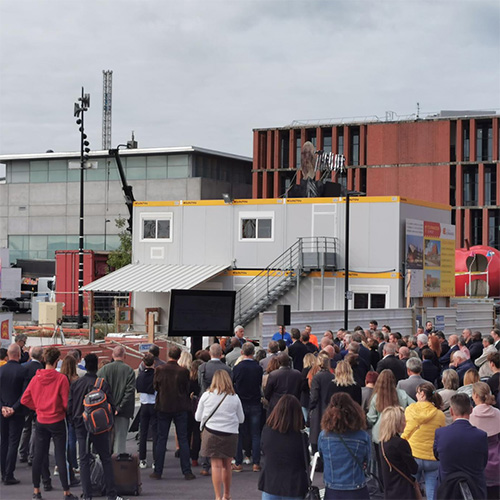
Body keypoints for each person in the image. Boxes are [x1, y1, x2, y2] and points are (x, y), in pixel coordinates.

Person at [21, 346, 78, 500]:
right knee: (61, 455)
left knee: (39, 455)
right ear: (57, 361)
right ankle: (66, 491)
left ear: (44, 360)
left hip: (41, 420)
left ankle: (36, 490)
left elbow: (24, 399)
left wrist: (38, 407)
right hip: (57, 420)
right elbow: (66, 403)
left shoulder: (35, 378)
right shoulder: (61, 379)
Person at [67, 353, 123, 500]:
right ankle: (111, 494)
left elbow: (70, 407)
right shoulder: (101, 383)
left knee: (84, 461)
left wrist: (74, 422)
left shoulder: (76, 384)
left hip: (81, 426)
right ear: (97, 365)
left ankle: (87, 495)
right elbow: (111, 405)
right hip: (99, 427)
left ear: (85, 365)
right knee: (105, 458)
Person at [195, 370, 244, 500]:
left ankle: (217, 496)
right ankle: (226, 495)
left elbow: (198, 417)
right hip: (230, 433)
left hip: (211, 433)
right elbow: (241, 419)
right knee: (227, 465)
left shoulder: (206, 395)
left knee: (215, 465)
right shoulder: (235, 397)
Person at [151, 345, 195, 480]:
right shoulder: (183, 372)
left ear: (168, 355)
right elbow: (187, 388)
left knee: (161, 438)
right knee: (183, 439)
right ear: (179, 356)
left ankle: (158, 471)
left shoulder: (159, 370)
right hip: (180, 406)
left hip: (164, 406)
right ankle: (186, 471)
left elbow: (155, 386)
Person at [433, 393, 488, 499]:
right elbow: (483, 462)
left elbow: (436, 456)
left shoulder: (441, 433)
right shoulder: (481, 436)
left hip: (447, 490)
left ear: (451, 411)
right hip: (474, 489)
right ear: (471, 410)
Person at [318, 393, 371, 499]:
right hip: (356, 488)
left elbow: (322, 456)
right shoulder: (362, 436)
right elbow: (367, 460)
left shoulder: (324, 436)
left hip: (333, 488)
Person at [258, 395, 308, 500]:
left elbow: (264, 450)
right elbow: (305, 461)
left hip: (270, 483)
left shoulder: (267, 431)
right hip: (294, 485)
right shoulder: (301, 437)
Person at [402, 382, 445, 500]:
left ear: (422, 394)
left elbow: (406, 430)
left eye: (417, 392)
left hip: (413, 455)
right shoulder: (440, 414)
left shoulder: (410, 410)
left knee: (411, 488)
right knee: (432, 491)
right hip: (432, 458)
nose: (416, 395)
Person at [367, 369, 414, 475]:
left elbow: (371, 418)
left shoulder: (377, 397)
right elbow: (413, 407)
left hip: (380, 435)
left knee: (382, 465)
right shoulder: (402, 394)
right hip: (399, 432)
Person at [97, 345, 136, 454]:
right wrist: (119, 407)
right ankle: (118, 466)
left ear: (113, 355)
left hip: (105, 410)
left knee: (105, 440)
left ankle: (104, 466)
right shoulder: (129, 371)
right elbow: (129, 392)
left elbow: (97, 389)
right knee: (120, 440)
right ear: (125, 356)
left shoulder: (103, 370)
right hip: (123, 412)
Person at [232, 342, 263, 472]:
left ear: (242, 352)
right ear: (253, 353)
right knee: (255, 434)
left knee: (239, 433)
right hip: (255, 402)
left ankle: (238, 462)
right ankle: (256, 463)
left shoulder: (238, 368)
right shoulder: (258, 368)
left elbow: (233, 383)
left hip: (241, 403)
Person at [0, 343, 26, 485]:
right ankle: (9, 474)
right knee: (13, 442)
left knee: (3, 441)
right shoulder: (23, 371)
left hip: (2, 411)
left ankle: (3, 471)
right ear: (18, 354)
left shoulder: (1, 370)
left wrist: (3, 407)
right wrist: (14, 408)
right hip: (17, 412)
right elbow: (24, 394)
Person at [379, 406, 418, 500]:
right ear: (396, 423)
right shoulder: (400, 443)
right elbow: (414, 469)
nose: (405, 423)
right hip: (404, 490)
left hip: (390, 491)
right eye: (403, 421)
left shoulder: (382, 443)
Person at [470, 382, 500, 499]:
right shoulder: (498, 413)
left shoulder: (471, 416)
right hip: (496, 460)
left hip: (477, 462)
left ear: (476, 396)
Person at [309, 353, 334, 455]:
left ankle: (318, 461)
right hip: (329, 408)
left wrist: (311, 406)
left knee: (316, 435)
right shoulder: (332, 376)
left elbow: (314, 396)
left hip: (318, 408)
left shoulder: (317, 377)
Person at [135, 353, 157, 469]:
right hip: (154, 404)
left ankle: (142, 459)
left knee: (143, 433)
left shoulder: (140, 376)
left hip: (143, 405)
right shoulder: (156, 375)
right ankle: (155, 460)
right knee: (155, 433)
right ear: (154, 362)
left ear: (143, 363)